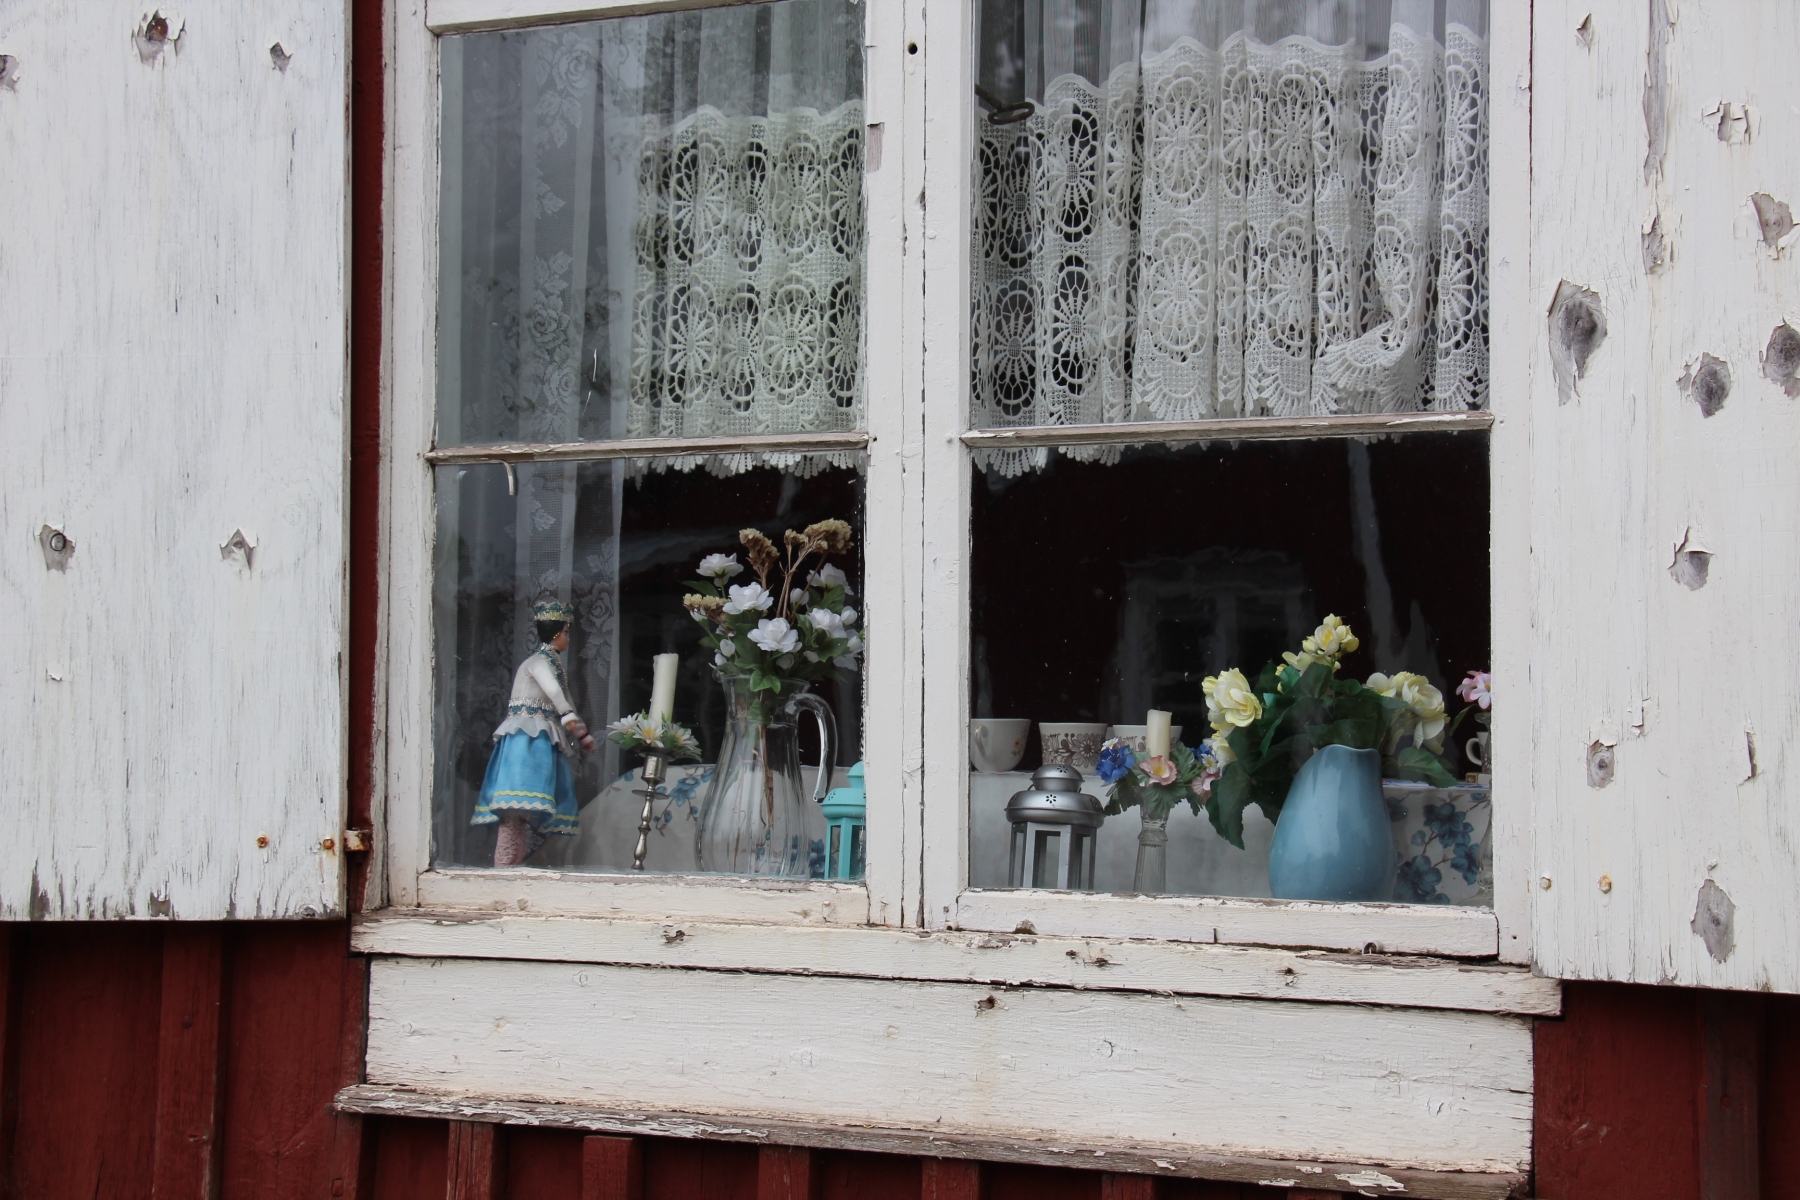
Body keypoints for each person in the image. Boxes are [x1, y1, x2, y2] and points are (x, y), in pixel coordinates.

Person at [472, 600, 595, 866]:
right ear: (555, 633)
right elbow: (554, 691)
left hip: (540, 740)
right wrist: (568, 716)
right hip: (526, 739)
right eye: (566, 633)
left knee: (521, 815)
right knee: (515, 811)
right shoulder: (537, 662)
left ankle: (510, 864)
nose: (568, 639)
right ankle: (504, 866)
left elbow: (565, 698)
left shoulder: (553, 663)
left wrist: (581, 733)